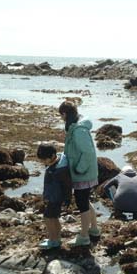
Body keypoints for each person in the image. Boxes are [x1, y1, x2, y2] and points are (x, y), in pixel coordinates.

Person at [59, 101, 100, 247]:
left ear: (65, 114)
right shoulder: (76, 127)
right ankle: (94, 229)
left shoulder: (78, 130)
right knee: (85, 201)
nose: (61, 119)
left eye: (61, 115)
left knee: (82, 204)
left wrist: (79, 169)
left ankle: (84, 236)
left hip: (83, 173)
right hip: (84, 172)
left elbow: (88, 152)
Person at [37, 143, 72, 250]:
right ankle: (57, 239)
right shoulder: (56, 163)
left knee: (48, 218)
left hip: (56, 198)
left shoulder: (60, 169)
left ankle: (53, 240)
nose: (43, 162)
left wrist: (67, 199)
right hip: (54, 196)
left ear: (52, 156)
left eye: (44, 160)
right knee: (54, 218)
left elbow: (67, 185)